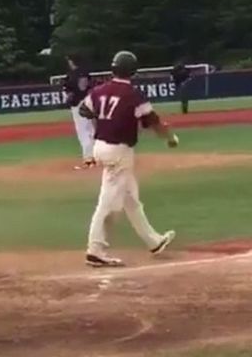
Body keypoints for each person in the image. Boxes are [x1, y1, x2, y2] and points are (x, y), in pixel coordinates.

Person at [79, 50, 179, 268]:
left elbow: (84, 110)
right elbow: (154, 123)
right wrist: (170, 139)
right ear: (133, 71)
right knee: (107, 204)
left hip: (100, 146)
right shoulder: (134, 95)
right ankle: (95, 250)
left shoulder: (99, 90)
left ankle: (153, 241)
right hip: (119, 152)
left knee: (130, 199)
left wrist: (103, 121)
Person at [62, 54, 95, 170]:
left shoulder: (71, 75)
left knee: (83, 133)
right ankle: (97, 157)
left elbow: (69, 92)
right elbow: (91, 87)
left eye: (69, 61)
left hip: (78, 105)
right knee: (91, 130)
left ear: (72, 61)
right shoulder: (85, 73)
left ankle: (89, 160)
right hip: (88, 103)